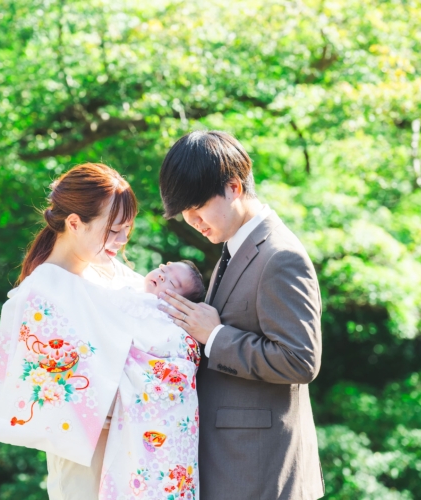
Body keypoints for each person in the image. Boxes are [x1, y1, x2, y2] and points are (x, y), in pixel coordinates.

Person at [0, 163, 200, 500]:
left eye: (127, 228)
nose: (123, 240)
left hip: (138, 448)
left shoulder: (118, 276)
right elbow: (65, 391)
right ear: (74, 223)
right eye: (113, 230)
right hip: (84, 454)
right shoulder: (42, 293)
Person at [158, 131, 325, 500]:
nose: (193, 222)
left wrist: (215, 337)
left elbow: (300, 361)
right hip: (235, 467)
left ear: (233, 187)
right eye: (186, 215)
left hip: (261, 471)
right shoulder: (235, 247)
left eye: (197, 209)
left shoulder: (280, 256)